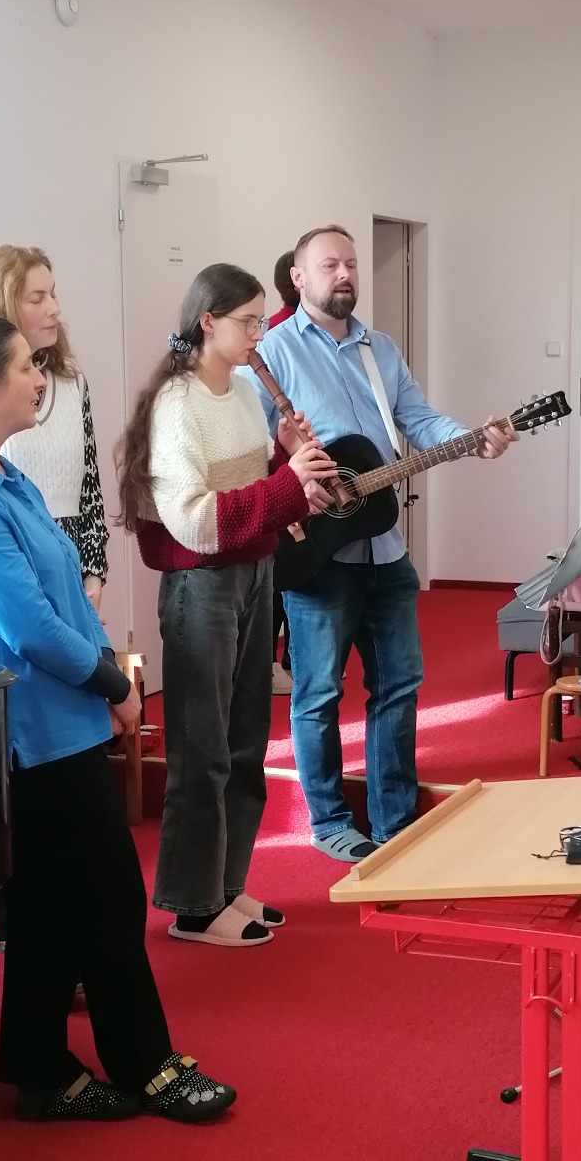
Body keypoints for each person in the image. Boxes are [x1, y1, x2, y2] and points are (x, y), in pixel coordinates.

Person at [0, 313, 235, 1122]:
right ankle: (147, 1066)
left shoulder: (2, 477)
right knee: (108, 899)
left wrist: (109, 678)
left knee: (50, 905)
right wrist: (113, 687)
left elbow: (66, 603)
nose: (40, 379)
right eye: (26, 366)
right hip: (29, 732)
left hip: (64, 717)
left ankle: (41, 1071)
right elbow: (26, 627)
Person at [237, 225, 516, 863]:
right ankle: (330, 820)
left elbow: (418, 420)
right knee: (318, 694)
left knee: (400, 684)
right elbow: (247, 451)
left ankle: (394, 820)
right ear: (298, 278)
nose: (344, 274)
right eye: (328, 265)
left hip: (384, 546)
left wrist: (473, 439)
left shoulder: (379, 349)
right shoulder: (272, 353)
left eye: (352, 264)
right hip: (315, 550)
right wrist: (292, 477)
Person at [116, 263, 337, 947]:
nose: (258, 334)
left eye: (261, 320)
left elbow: (251, 491)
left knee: (245, 745)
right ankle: (192, 904)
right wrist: (288, 484)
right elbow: (194, 521)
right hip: (202, 584)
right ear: (207, 322)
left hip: (253, 572)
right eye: (247, 322)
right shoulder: (176, 404)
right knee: (202, 749)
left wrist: (286, 461)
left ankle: (226, 884)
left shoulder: (243, 391)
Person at [0, 244, 109, 954]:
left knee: (80, 894)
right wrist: (107, 676)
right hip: (29, 672)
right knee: (58, 891)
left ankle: (49, 1004)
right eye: (37, 296)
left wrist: (90, 582)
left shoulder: (56, 400)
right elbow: (22, 621)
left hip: (62, 584)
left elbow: (88, 488)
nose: (54, 308)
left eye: (53, 293)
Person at [267, 250, 300, 694]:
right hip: (283, 469)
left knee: (295, 571)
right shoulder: (278, 336)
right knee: (284, 575)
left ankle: (291, 657)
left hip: (296, 465)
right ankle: (279, 660)